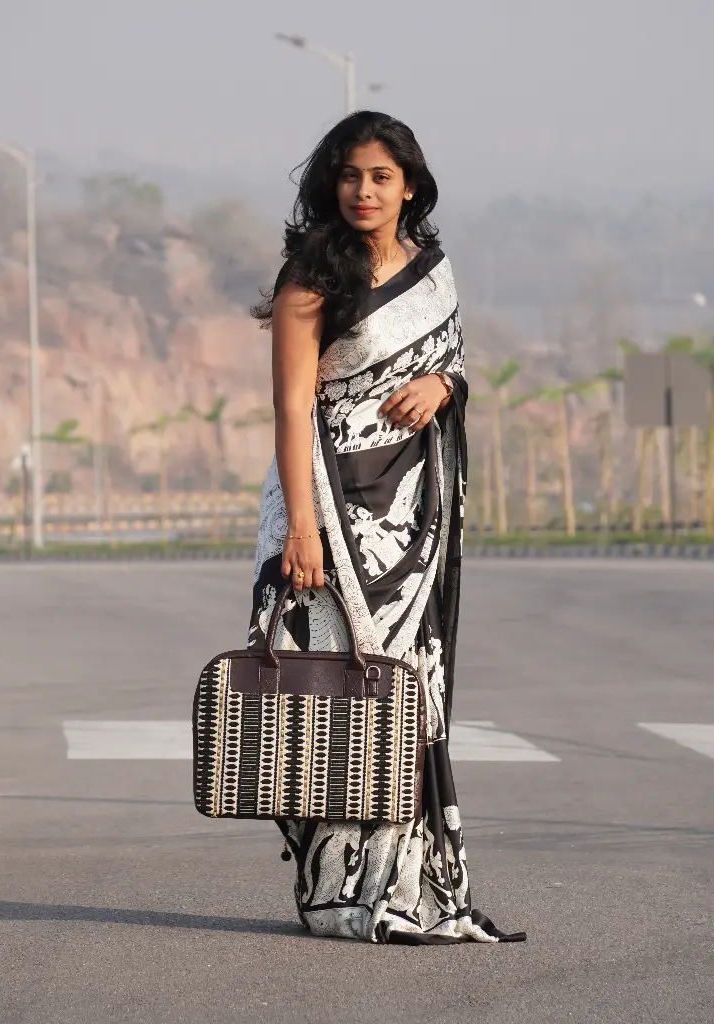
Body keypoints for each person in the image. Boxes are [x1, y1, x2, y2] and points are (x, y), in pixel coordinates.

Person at [249, 110, 525, 945]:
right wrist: (302, 530)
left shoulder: (434, 273)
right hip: (328, 502)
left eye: (380, 176)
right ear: (330, 185)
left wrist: (443, 385)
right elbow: (291, 408)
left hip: (413, 513)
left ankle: (407, 889)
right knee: (329, 693)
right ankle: (336, 891)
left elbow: (453, 365)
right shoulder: (311, 276)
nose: (363, 191)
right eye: (349, 176)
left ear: (410, 186)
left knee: (408, 694)